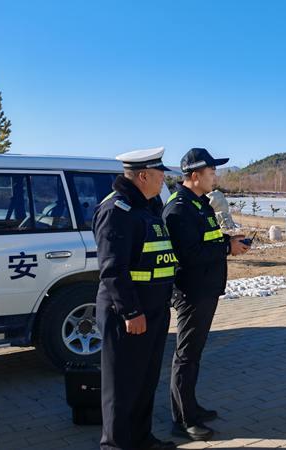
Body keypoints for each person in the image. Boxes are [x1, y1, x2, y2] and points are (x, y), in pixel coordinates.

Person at [162, 147, 250, 441]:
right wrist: (227, 247)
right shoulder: (179, 208)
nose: (215, 177)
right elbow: (188, 254)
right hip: (192, 291)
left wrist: (230, 240)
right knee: (186, 356)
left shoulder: (199, 204)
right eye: (212, 172)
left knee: (194, 355)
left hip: (205, 289)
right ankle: (183, 420)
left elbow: (205, 239)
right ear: (195, 175)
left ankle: (191, 406)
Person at [93, 147, 177, 450]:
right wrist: (130, 312)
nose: (164, 178)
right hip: (128, 314)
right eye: (159, 173)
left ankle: (141, 440)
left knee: (144, 381)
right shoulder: (117, 210)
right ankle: (115, 445)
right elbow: (113, 269)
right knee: (122, 386)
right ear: (143, 176)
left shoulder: (148, 206)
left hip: (154, 309)